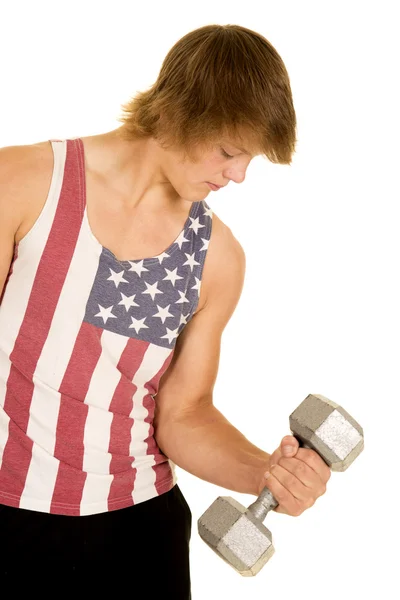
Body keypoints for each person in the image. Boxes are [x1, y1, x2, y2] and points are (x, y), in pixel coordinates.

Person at [0, 24, 330, 594]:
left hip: (139, 530)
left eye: (248, 158)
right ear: (181, 112)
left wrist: (267, 474)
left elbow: (183, 415)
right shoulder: (25, 181)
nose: (239, 175)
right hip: (10, 517)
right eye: (229, 151)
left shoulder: (218, 259)